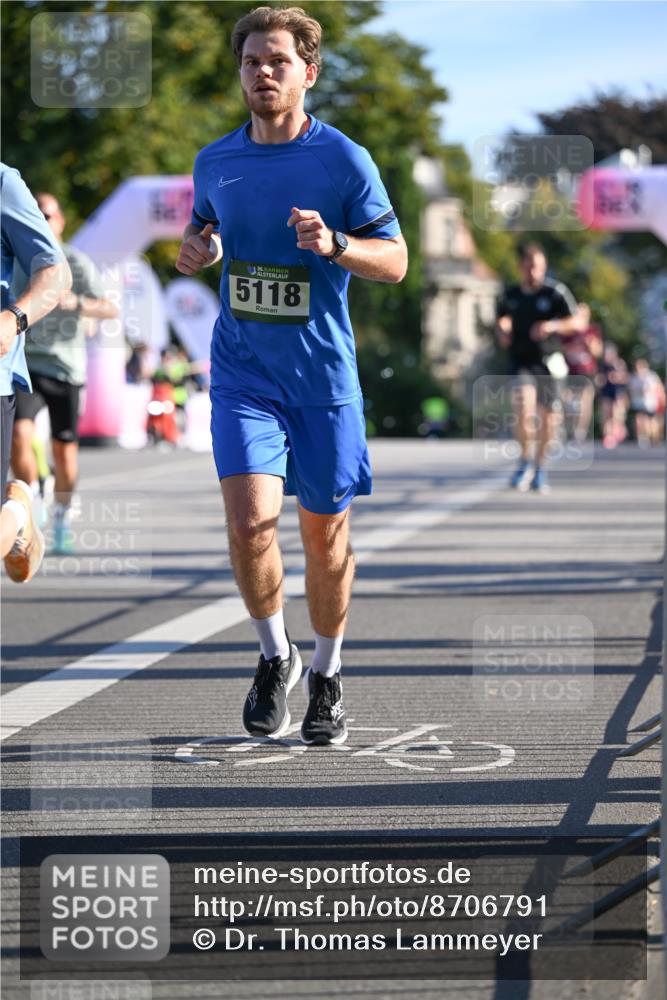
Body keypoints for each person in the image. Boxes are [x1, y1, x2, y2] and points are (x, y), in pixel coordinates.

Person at [176, 6, 407, 745]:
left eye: (277, 61)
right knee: (249, 524)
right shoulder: (215, 160)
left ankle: (329, 671)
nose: (262, 73)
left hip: (322, 381)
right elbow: (206, 231)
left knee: (324, 537)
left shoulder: (343, 160)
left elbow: (395, 260)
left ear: (308, 72)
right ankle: (275, 657)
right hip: (244, 374)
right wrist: (197, 251)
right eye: (251, 61)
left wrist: (337, 243)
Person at [10, 192, 118, 554]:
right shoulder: (19, 257)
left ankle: (61, 513)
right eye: (35, 212)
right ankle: (33, 503)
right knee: (18, 437)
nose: (42, 217)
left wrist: (78, 303)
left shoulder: (74, 261)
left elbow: (110, 308)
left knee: (65, 454)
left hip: (64, 368)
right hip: (26, 362)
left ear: (60, 221)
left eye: (48, 213)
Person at [1, 164, 72, 581]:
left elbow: (55, 272)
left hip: (46, 366)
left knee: (63, 449)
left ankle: (18, 512)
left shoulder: (3, 183)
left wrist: (13, 318)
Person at [496, 242, 579, 494]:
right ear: (521, 267)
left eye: (539, 267)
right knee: (523, 407)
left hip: (549, 362)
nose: (534, 272)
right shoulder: (510, 295)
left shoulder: (555, 293)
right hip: (522, 362)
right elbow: (501, 320)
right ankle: (524, 459)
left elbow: (575, 321)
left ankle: (540, 468)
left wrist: (552, 327)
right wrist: (503, 328)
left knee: (549, 420)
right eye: (530, 267)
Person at [561, 302, 603, 443]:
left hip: (587, 371)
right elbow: (561, 349)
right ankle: (569, 428)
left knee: (585, 402)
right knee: (568, 402)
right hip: (570, 370)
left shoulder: (592, 330)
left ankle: (580, 432)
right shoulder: (568, 331)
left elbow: (598, 352)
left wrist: (590, 344)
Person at [597, 342, 629, 449]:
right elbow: (599, 379)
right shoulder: (603, 366)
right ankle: (608, 436)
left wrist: (616, 377)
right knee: (606, 415)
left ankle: (618, 433)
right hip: (606, 392)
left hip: (617, 392)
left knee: (616, 415)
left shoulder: (619, 363)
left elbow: (625, 378)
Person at [627, 357, 664, 447]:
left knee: (651, 423)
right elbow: (630, 389)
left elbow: (659, 388)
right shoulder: (634, 378)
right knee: (639, 420)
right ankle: (642, 438)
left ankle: (655, 438)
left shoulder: (651, 376)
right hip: (638, 403)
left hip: (650, 403)